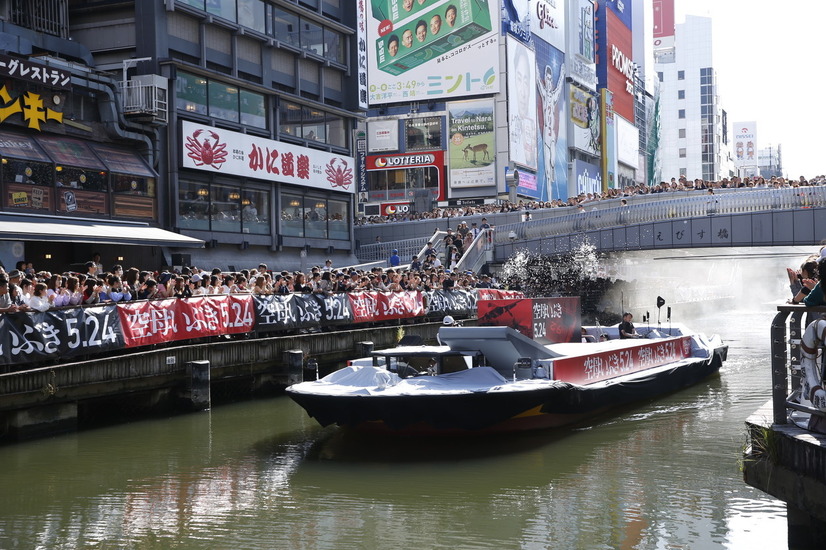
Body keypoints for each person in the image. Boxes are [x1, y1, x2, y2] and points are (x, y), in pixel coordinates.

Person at [509, 44, 537, 168]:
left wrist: (531, 160)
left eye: (526, 81)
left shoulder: (532, 128)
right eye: (519, 79)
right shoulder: (509, 122)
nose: (523, 92)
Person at [537, 63, 565, 185]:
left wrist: (562, 75)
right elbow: (538, 79)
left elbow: (559, 88)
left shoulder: (553, 96)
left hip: (552, 134)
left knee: (553, 161)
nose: (548, 81)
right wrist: (535, 63)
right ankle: (549, 180)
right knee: (547, 169)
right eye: (546, 79)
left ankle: (552, 175)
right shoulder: (543, 93)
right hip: (546, 135)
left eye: (550, 79)